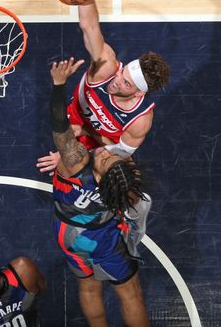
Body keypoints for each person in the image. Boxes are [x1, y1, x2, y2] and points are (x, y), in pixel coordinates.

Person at [37, 0, 170, 171]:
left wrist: (71, 153)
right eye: (123, 74)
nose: (117, 81)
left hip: (101, 144)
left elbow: (118, 152)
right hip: (71, 118)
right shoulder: (106, 68)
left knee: (112, 171)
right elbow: (89, 26)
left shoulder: (140, 120)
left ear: (137, 94)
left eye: (126, 83)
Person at [49, 58, 151, 327]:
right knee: (130, 294)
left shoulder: (73, 164)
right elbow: (131, 182)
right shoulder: (120, 189)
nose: (107, 153)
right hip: (104, 241)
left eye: (106, 159)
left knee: (89, 288)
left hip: (70, 238)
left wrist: (59, 85)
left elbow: (59, 125)